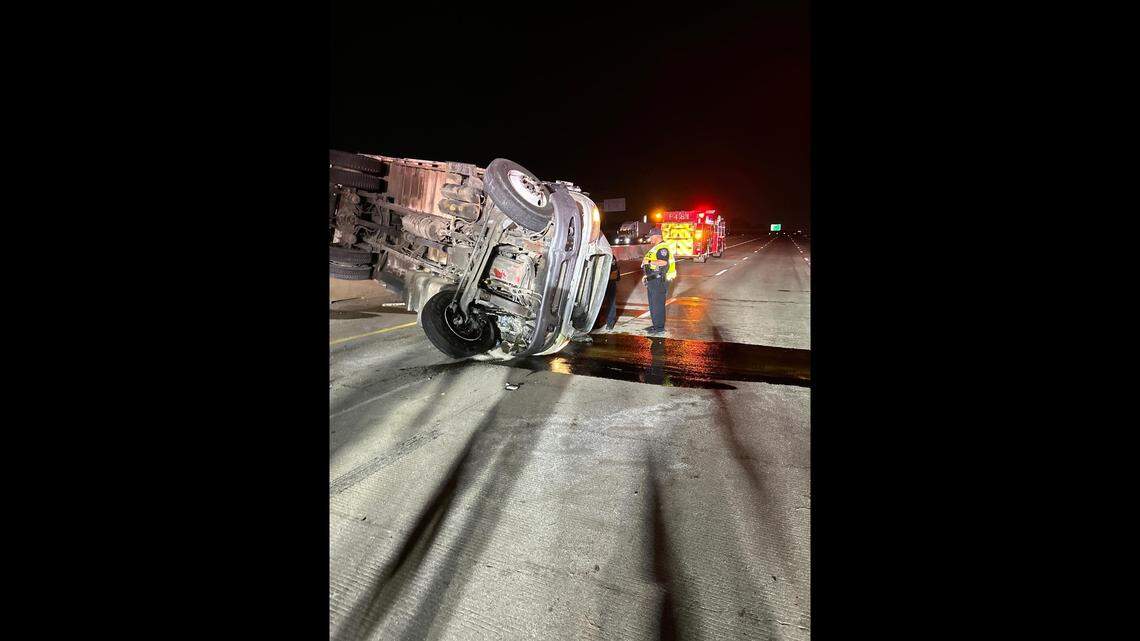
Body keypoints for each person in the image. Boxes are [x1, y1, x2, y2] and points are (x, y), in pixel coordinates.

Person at [641, 228, 675, 334]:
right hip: (653, 279)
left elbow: (663, 263)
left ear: (656, 236)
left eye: (651, 236)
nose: (650, 238)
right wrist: (646, 276)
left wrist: (649, 260)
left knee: (658, 304)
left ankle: (659, 328)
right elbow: (651, 265)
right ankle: (655, 325)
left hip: (659, 280)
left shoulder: (663, 248)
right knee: (653, 304)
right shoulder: (656, 247)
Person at [603, 257, 621, 330]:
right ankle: (609, 323)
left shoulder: (609, 254)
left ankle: (610, 323)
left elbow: (614, 268)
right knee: (610, 301)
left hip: (608, 280)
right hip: (606, 280)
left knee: (610, 302)